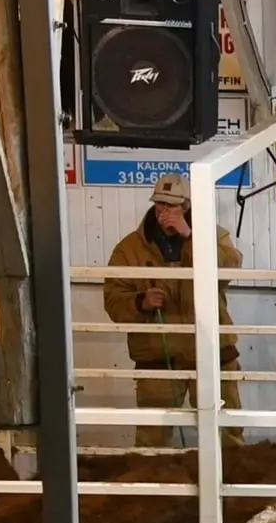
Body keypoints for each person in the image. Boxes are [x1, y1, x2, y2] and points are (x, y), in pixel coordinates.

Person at [103, 173, 246, 448]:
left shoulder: (214, 236)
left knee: (227, 432)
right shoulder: (129, 248)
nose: (164, 213)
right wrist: (140, 302)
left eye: (172, 206)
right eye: (160, 205)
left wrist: (191, 236)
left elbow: (228, 269)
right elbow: (112, 298)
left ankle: (228, 488)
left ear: (187, 206)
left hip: (212, 354)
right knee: (152, 439)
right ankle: (156, 489)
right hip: (157, 358)